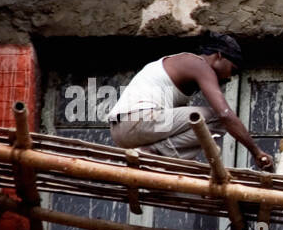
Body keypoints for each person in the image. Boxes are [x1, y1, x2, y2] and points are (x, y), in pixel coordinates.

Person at [104, 33, 273, 170]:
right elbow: (225, 115)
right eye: (232, 70)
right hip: (137, 121)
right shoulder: (198, 64)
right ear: (219, 56)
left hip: (121, 132)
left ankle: (154, 156)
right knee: (217, 119)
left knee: (198, 127)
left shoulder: (182, 67)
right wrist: (256, 152)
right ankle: (154, 153)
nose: (229, 77)